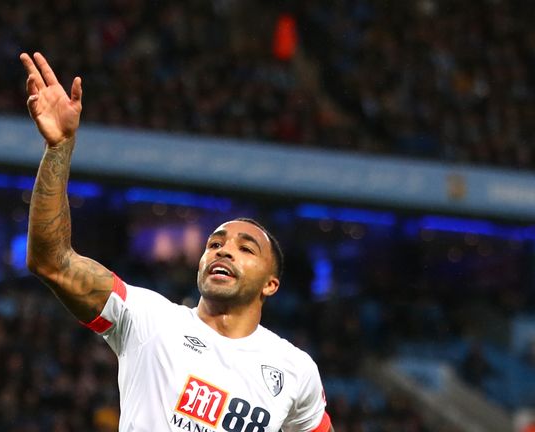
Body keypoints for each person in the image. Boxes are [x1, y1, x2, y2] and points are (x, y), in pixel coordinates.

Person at [20, 51, 333, 432]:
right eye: (215, 243)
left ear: (271, 283)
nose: (224, 249)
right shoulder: (148, 318)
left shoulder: (295, 370)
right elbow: (50, 261)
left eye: (245, 248)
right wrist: (59, 149)